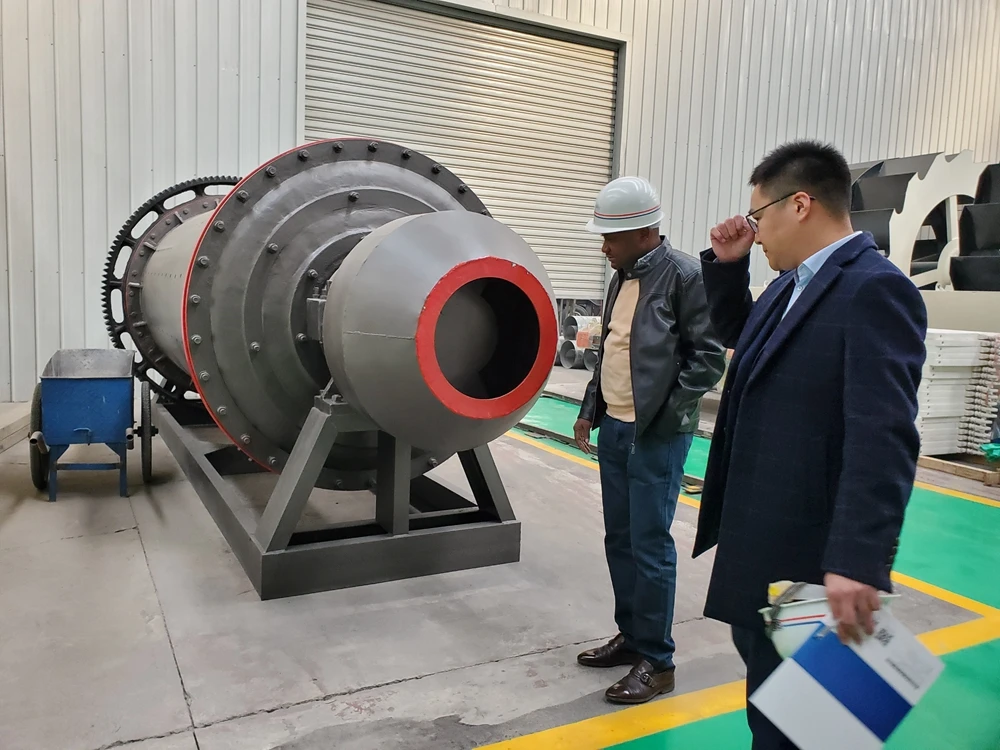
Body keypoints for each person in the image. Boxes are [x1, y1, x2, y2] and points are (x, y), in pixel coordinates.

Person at [693, 141, 928, 748]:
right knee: (769, 707)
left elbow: (883, 435)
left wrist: (856, 560)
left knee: (803, 729)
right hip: (763, 546)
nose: (754, 232)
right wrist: (728, 267)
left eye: (758, 216)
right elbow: (747, 340)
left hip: (810, 556)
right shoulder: (789, 285)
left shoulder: (874, 290)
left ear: (799, 205)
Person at [574, 176, 727, 704]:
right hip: (616, 428)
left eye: (610, 237)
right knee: (620, 538)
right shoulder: (621, 277)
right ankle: (633, 637)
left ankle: (658, 662)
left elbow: (708, 359)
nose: (603, 247)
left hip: (655, 435)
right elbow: (611, 350)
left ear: (644, 233)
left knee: (650, 545)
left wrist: (663, 419)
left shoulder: (685, 276)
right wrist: (590, 410)